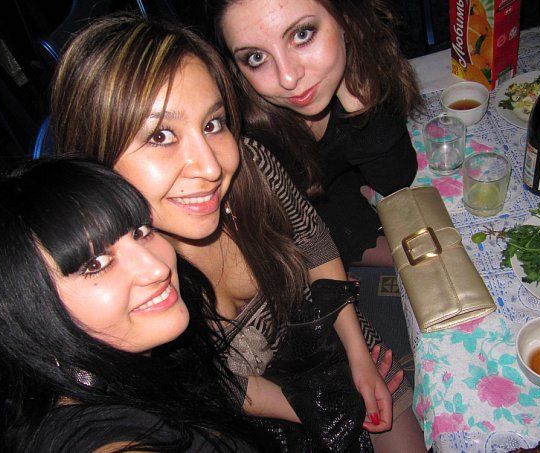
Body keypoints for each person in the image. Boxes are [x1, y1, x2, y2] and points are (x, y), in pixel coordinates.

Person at [50, 13, 424, 451]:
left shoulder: (251, 167)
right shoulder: (116, 289)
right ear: (95, 157)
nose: (211, 167)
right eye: (161, 136)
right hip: (259, 415)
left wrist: (358, 357)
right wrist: (312, 406)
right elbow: (205, 384)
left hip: (334, 331)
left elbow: (315, 243)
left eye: (212, 124)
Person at [0, 159, 283, 452]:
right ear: (30, 315)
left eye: (140, 232)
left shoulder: (135, 353)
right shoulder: (94, 436)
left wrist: (297, 405)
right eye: (95, 264)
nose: (157, 268)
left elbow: (207, 386)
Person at [202, 0, 424, 270]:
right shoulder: (247, 137)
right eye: (256, 57)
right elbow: (293, 234)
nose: (288, 78)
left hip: (342, 200)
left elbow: (395, 178)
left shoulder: (365, 63)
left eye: (301, 34)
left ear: (345, 18)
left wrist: (361, 104)